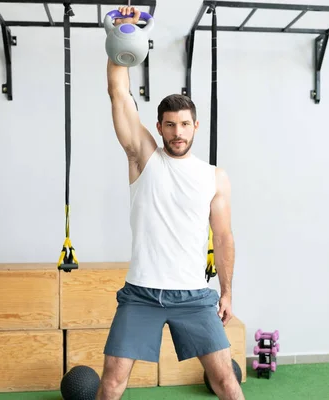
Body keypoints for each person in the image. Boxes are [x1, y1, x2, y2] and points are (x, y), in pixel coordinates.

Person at [97, 6, 244, 400]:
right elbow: (118, 91)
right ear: (158, 126)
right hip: (141, 292)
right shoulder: (143, 157)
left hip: (194, 295)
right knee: (111, 379)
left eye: (184, 124)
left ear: (195, 126)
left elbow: (224, 236)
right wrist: (122, 36)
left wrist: (227, 293)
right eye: (169, 124)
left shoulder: (215, 176)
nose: (177, 132)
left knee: (226, 379)